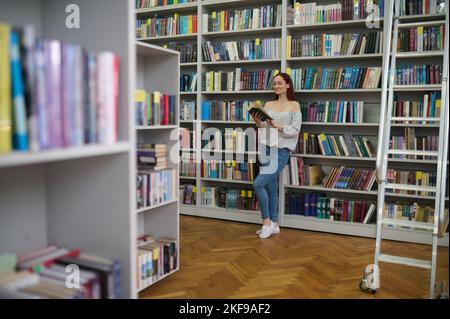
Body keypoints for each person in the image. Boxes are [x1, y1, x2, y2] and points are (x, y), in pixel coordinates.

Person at [251, 72, 302, 239]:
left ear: (288, 85)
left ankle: (266, 222)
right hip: (266, 148)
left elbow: (294, 130)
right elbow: (263, 128)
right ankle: (275, 223)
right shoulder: (269, 104)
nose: (276, 86)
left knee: (258, 183)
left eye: (280, 83)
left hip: (281, 151)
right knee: (271, 187)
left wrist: (276, 125)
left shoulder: (294, 105)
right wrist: (258, 121)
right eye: (274, 84)